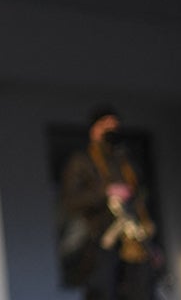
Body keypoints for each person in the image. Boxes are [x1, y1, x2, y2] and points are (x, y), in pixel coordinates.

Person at [59, 106, 160, 300]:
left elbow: (141, 203)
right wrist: (105, 192)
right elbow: (70, 201)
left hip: (134, 242)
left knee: (142, 292)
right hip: (101, 240)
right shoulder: (82, 161)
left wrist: (151, 244)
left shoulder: (126, 162)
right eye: (105, 125)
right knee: (103, 292)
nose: (111, 130)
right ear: (94, 130)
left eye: (115, 125)